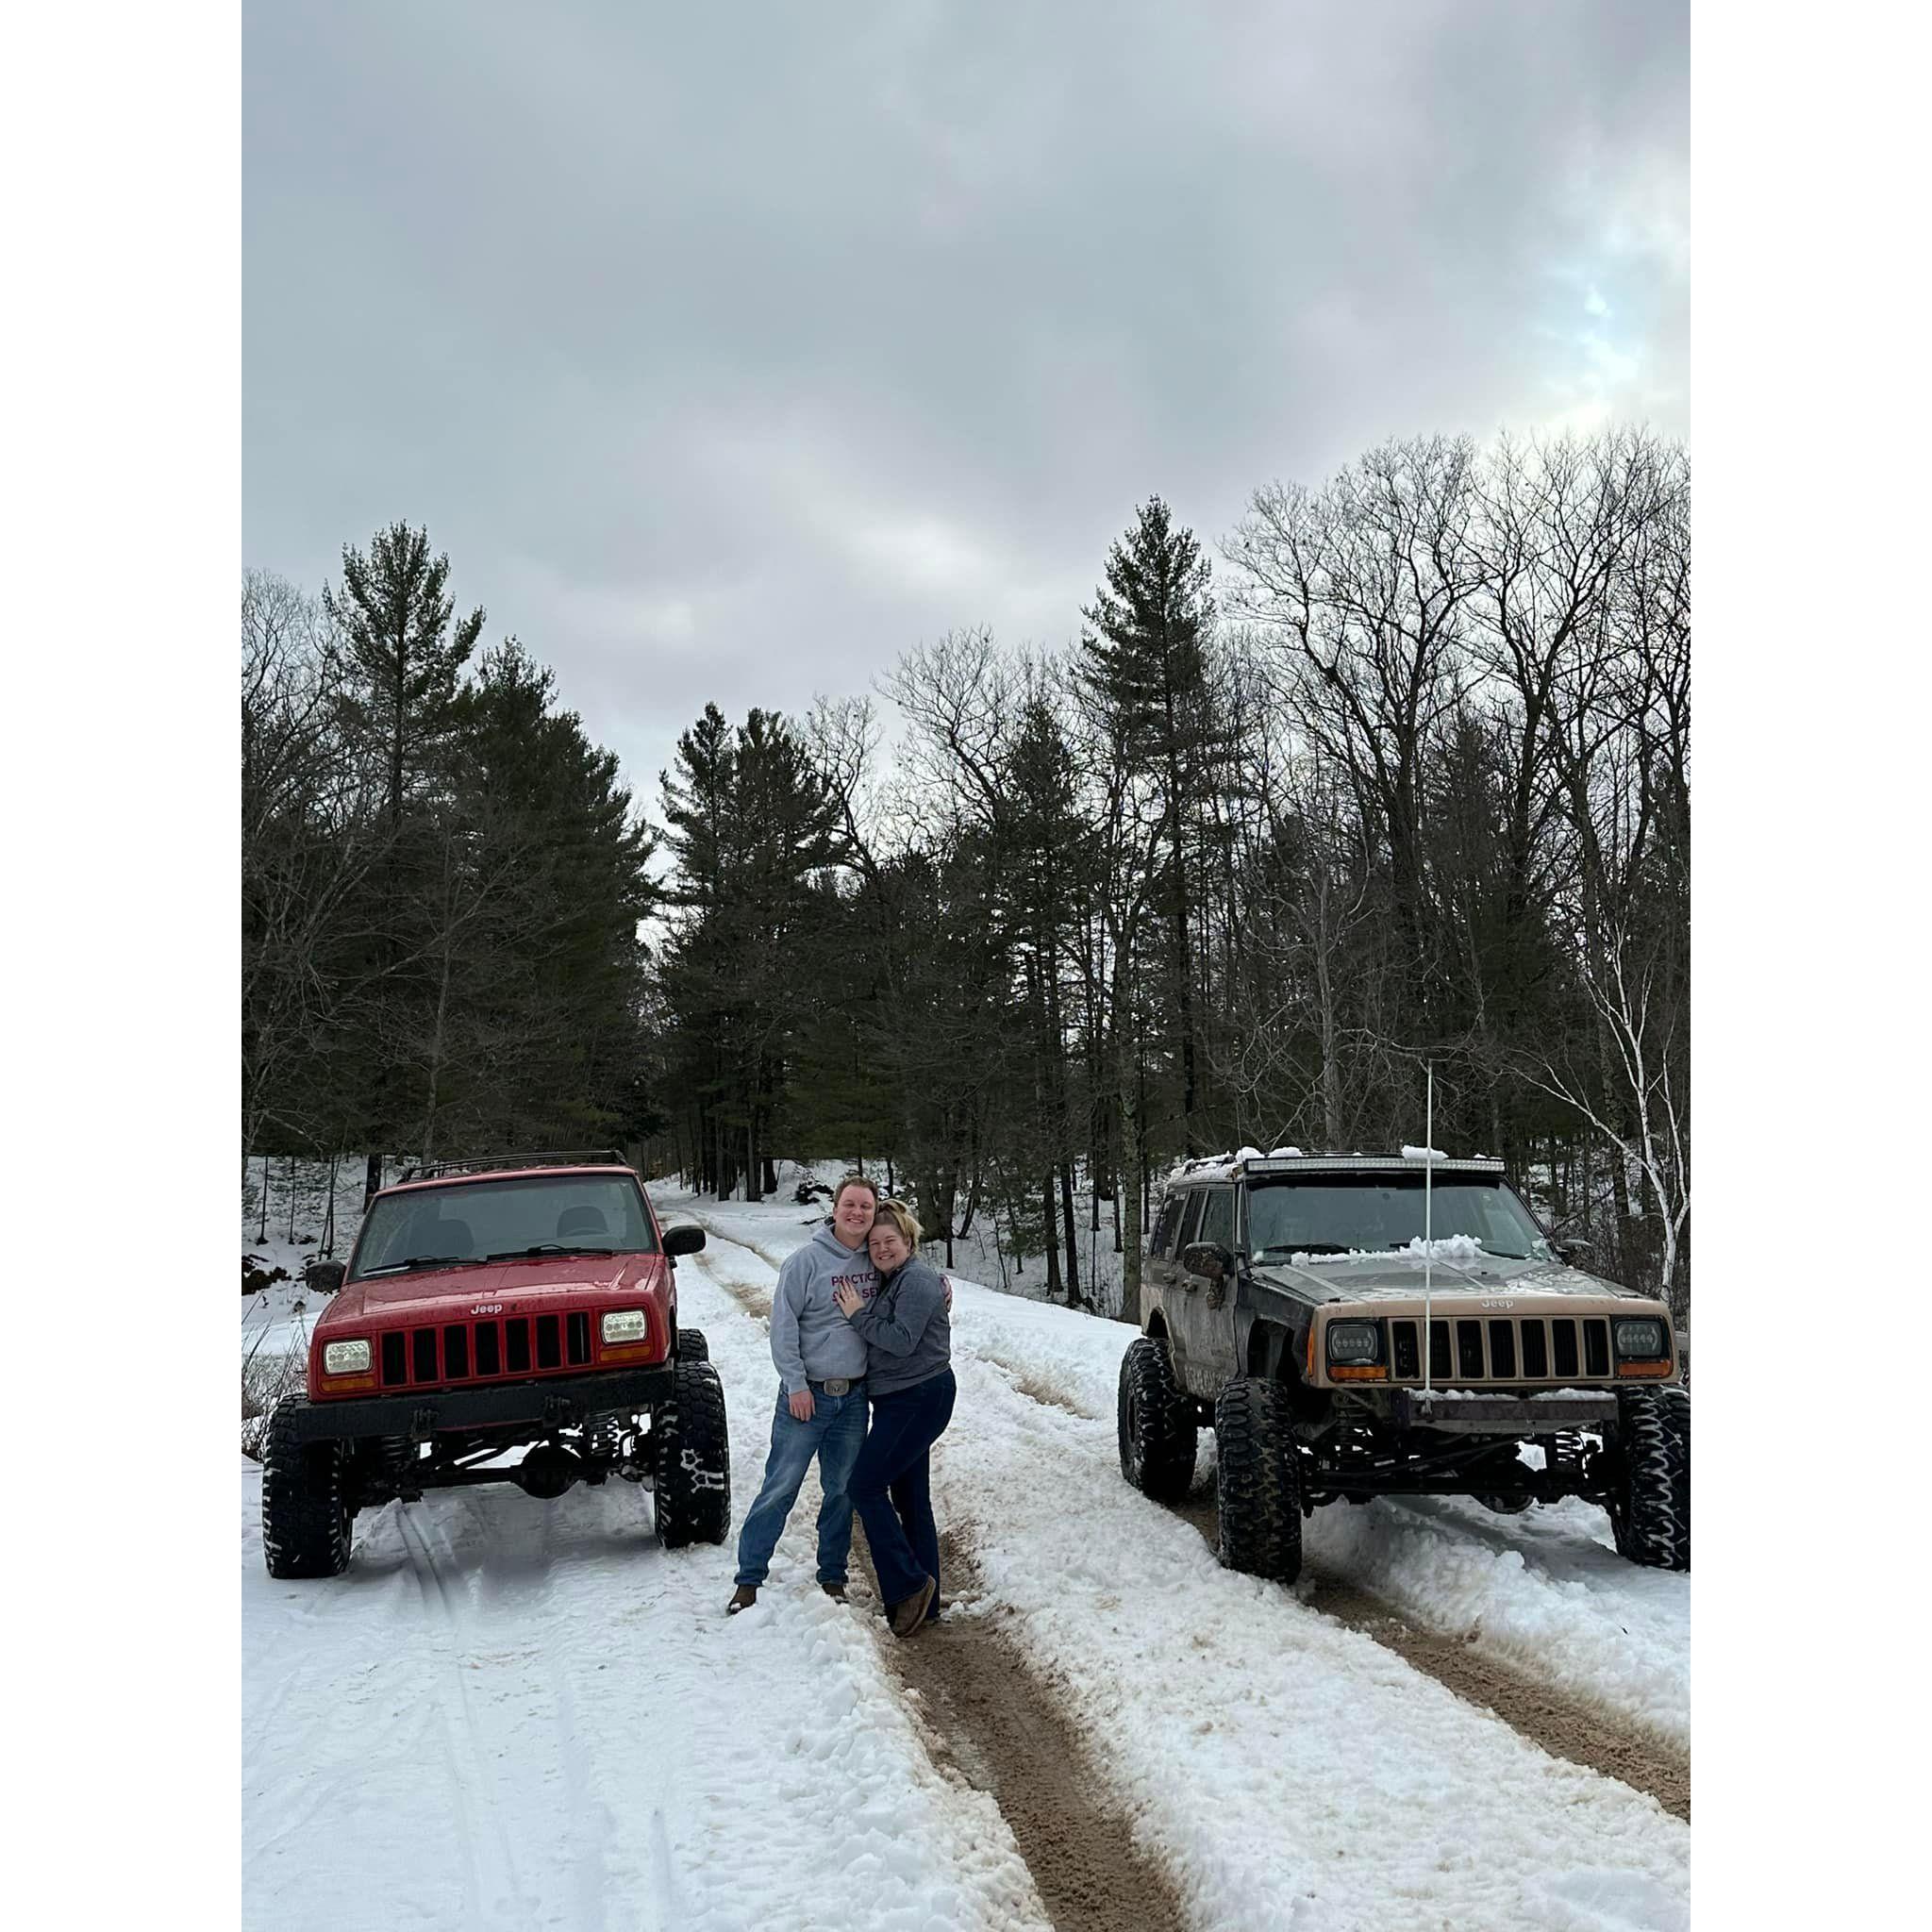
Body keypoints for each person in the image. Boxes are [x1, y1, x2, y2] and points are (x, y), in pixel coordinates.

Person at [727, 1174, 879, 1613]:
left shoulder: (876, 1260)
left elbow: (908, 1278)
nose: (857, 1213)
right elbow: (783, 1328)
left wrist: (938, 1287)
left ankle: (832, 1575)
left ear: (874, 1213)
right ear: (835, 1209)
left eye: (865, 1207)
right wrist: (795, 1384)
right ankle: (748, 1579)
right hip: (807, 1397)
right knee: (781, 1486)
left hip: (854, 1398)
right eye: (850, 1204)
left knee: (841, 1490)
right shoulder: (805, 1262)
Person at [834, 1200, 955, 1638]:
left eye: (891, 1241)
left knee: (864, 1486)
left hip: (917, 1397)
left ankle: (907, 1585)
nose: (882, 1249)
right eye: (875, 1244)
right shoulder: (896, 1279)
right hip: (902, 1399)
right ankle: (926, 1600)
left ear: (909, 1241)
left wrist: (857, 1315)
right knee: (911, 1498)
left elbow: (902, 1340)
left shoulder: (916, 1280)